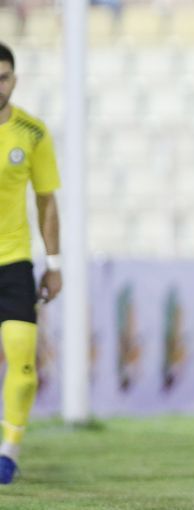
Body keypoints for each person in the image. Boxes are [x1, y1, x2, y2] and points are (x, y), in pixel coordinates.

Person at [0, 41, 62, 484]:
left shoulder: (32, 133)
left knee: (22, 362)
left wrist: (53, 263)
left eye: (3, 77)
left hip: (14, 264)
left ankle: (8, 451)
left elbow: (46, 201)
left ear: (14, 80)